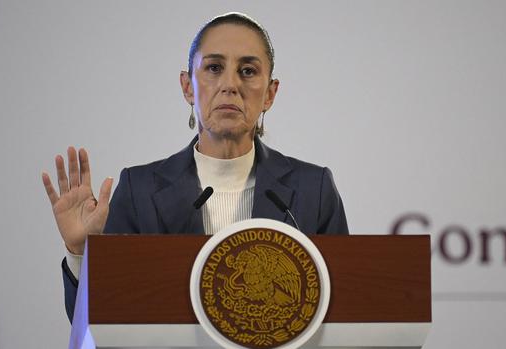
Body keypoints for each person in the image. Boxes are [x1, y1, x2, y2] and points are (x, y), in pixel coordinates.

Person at [42, 12, 349, 324]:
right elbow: (102, 326)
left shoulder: (313, 190)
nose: (230, 85)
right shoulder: (140, 190)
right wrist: (82, 253)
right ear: (188, 86)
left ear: (270, 93)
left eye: (247, 71)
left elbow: (343, 314)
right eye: (214, 68)